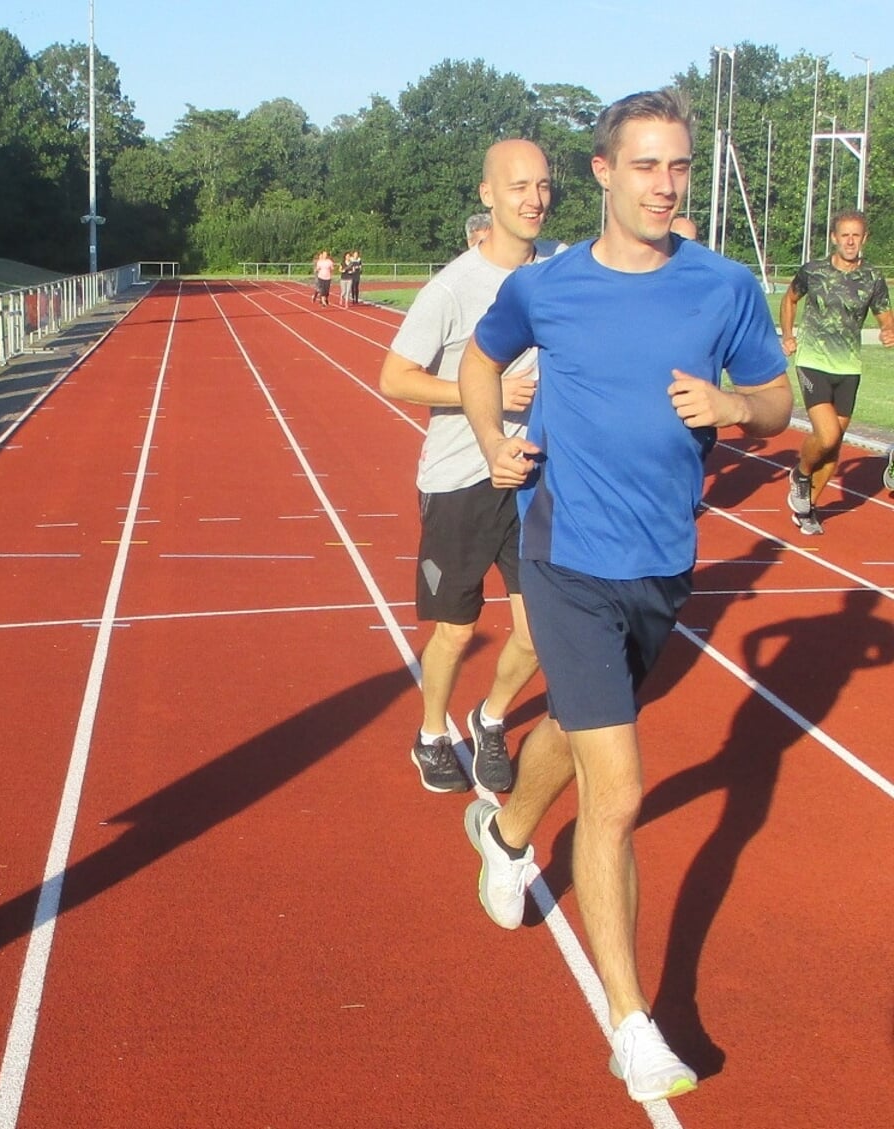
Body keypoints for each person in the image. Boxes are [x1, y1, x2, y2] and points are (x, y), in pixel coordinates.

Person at [458, 90, 790, 1104]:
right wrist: (490, 444)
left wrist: (734, 405)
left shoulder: (724, 286)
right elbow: (480, 361)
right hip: (563, 552)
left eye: (679, 166)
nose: (666, 184)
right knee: (624, 787)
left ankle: (508, 835)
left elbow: (777, 403)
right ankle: (635, 1024)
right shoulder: (549, 287)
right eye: (646, 165)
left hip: (663, 562)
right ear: (603, 171)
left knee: (572, 720)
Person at [380, 139, 560, 795]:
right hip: (460, 481)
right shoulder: (453, 288)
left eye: (542, 185)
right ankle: (431, 734)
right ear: (488, 194)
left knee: (538, 631)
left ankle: (490, 719)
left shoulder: (561, 272)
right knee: (456, 632)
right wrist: (481, 392)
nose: (534, 199)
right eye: (518, 187)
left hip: (534, 476)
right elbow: (395, 376)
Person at [780, 208, 894, 534]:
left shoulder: (872, 278)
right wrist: (788, 335)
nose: (850, 241)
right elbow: (789, 300)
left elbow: (885, 317)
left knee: (834, 443)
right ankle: (801, 474)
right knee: (826, 434)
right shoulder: (813, 271)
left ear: (864, 239)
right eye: (844, 235)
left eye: (856, 235)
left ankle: (808, 507)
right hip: (813, 362)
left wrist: (889, 330)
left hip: (849, 367)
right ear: (834, 238)